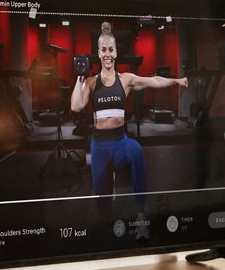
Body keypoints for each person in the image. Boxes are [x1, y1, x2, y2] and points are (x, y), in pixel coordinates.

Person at [69, 22, 188, 239]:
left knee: (136, 151)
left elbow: (154, 80)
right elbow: (76, 106)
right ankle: (108, 193)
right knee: (103, 207)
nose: (107, 54)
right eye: (103, 50)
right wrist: (79, 77)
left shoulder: (126, 80)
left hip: (120, 142)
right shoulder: (90, 82)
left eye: (111, 50)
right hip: (100, 146)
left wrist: (177, 81)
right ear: (98, 53)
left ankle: (141, 214)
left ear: (116, 52)